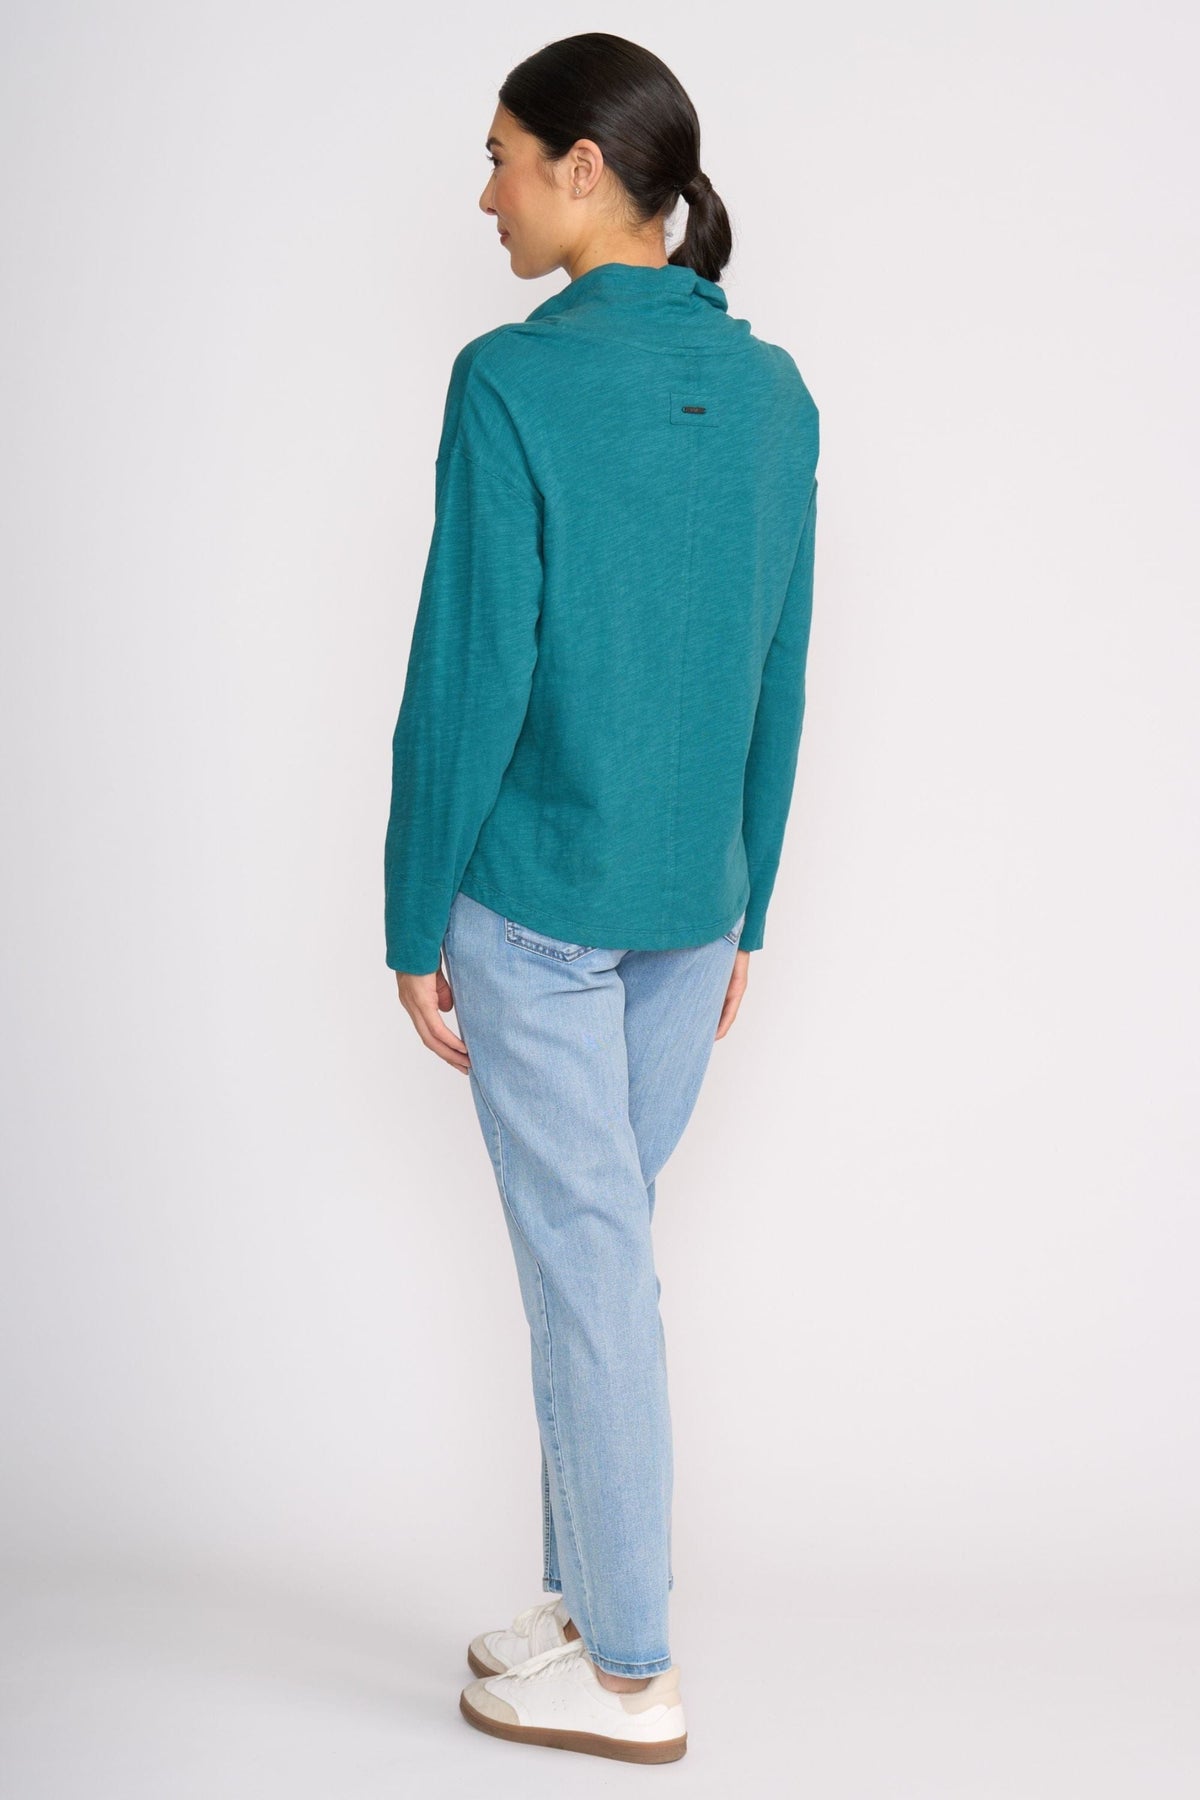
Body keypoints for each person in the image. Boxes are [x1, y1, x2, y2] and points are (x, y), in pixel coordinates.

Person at [384, 32, 819, 1765]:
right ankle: (580, 1604)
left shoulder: (511, 380)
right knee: (602, 1264)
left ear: (584, 168)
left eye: (502, 156)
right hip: (687, 907)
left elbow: (467, 669)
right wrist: (748, 905)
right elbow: (780, 669)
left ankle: (632, 1670)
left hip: (543, 902)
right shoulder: (775, 392)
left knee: (591, 1275)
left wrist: (411, 914)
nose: (485, 194)